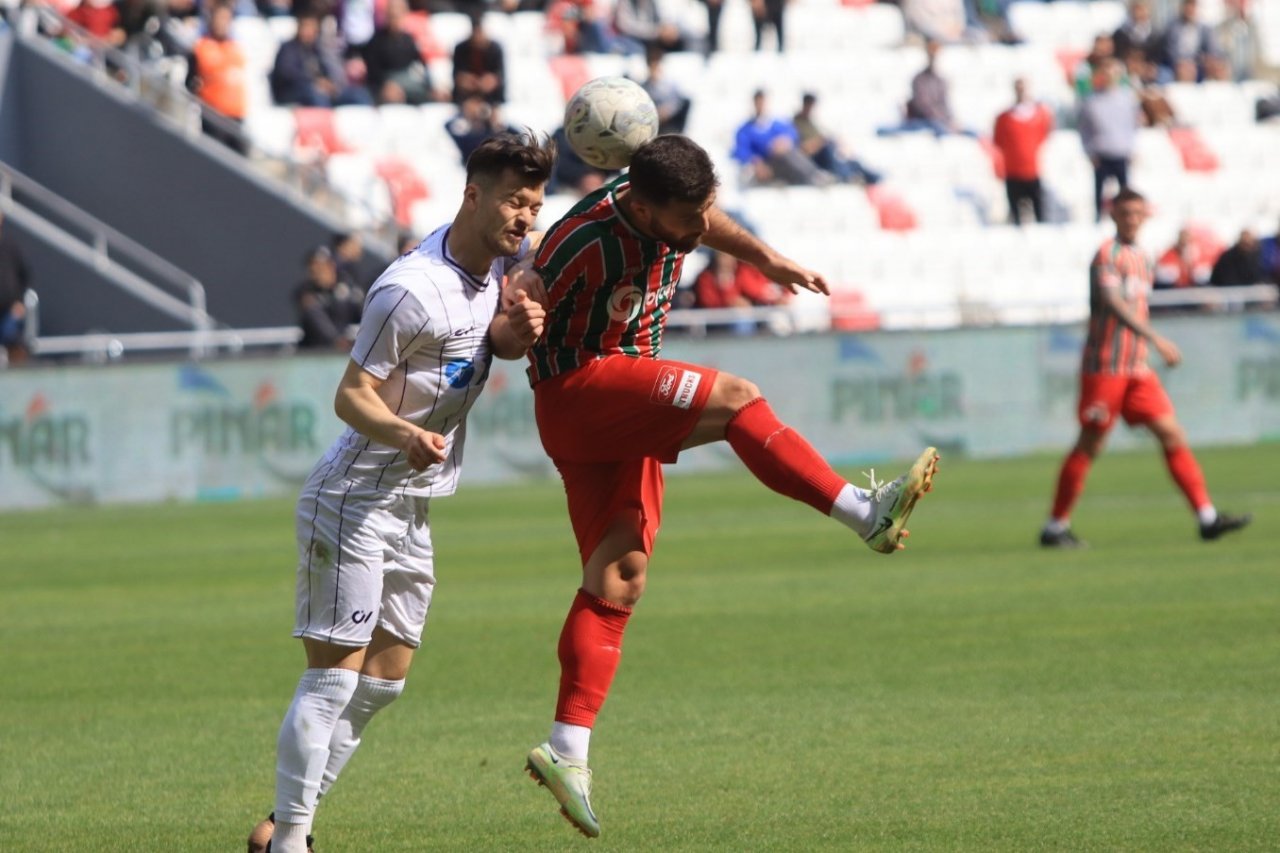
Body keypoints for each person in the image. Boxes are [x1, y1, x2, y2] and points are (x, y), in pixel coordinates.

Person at [514, 134, 940, 838]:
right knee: (738, 396)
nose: (701, 225)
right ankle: (863, 511)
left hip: (619, 405)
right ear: (647, 211)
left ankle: (565, 749)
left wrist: (771, 261)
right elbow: (515, 317)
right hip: (580, 390)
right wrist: (514, 304)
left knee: (620, 576)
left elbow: (711, 222)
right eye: (689, 217)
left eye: (707, 207)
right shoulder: (578, 242)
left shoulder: (675, 207)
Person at [246, 132, 555, 853]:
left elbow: (477, 349)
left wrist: (511, 334)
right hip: (353, 496)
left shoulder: (495, 272)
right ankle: (292, 840)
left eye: (534, 205)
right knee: (332, 678)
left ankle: (286, 821)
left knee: (384, 681)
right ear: (472, 194)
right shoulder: (407, 288)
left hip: (410, 504)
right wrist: (405, 435)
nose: (525, 217)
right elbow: (351, 398)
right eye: (514, 200)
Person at [1040, 188, 1250, 549]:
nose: (1132, 219)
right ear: (1114, 215)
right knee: (1089, 444)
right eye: (1125, 213)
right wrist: (1156, 338)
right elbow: (1111, 301)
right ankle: (1055, 527)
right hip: (1105, 367)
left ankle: (1207, 518)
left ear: (1145, 216)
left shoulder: (1143, 256)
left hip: (1136, 369)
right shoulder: (1108, 254)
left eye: (1138, 213)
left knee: (1172, 434)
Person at [1077, 58, 1140, 222]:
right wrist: (1089, 151)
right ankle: (1098, 219)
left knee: (1124, 193)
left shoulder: (1127, 99)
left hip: (1121, 151)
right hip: (1101, 152)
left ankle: (1124, 220)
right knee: (1098, 192)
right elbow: (1084, 129)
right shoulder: (1091, 100)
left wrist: (1131, 148)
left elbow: (1132, 126)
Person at [732, 89, 834, 187]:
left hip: (782, 160)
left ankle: (813, 175)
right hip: (764, 165)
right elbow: (741, 150)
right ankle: (813, 177)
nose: (761, 105)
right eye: (758, 102)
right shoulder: (746, 129)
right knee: (787, 155)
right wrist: (756, 161)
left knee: (789, 152)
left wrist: (784, 142)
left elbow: (793, 135)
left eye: (762, 102)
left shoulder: (776, 125)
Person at [269, 11, 372, 107]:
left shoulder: (317, 49)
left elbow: (329, 69)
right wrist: (314, 83)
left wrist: (331, 83)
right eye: (306, 27)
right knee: (318, 97)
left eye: (312, 28)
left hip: (322, 91)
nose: (308, 32)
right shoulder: (288, 48)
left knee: (358, 94)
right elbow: (287, 73)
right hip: (295, 92)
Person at [186, 2, 247, 152]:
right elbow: (190, 82)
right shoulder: (201, 47)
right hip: (213, 115)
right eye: (219, 18)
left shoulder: (236, 48)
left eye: (226, 18)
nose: (222, 23)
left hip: (236, 116)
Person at [992, 78, 1053, 225]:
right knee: (1016, 214)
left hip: (1033, 170)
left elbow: (1044, 136)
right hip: (1013, 171)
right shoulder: (1004, 118)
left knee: (1040, 213)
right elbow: (998, 141)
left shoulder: (1039, 115)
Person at [793, 92, 881, 185]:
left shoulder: (812, 122)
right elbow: (802, 149)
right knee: (829, 149)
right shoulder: (796, 123)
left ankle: (871, 177)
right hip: (815, 158)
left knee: (851, 161)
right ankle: (846, 176)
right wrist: (821, 141)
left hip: (825, 155)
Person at [294, 245, 365, 351]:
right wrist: (337, 340)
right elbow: (316, 321)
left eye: (321, 268)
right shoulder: (306, 292)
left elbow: (363, 312)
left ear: (331, 267)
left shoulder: (346, 286)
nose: (317, 274)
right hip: (315, 350)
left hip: (346, 348)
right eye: (313, 269)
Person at [451, 10, 505, 106]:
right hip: (465, 98)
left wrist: (491, 81)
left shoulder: (495, 49)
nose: (478, 37)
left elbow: (500, 76)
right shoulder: (461, 49)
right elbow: (456, 76)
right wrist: (466, 81)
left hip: (492, 98)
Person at [0, 212, 31, 367]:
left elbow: (24, 275)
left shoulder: (10, 246)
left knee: (14, 341)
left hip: (8, 311)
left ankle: (18, 382)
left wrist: (19, 302)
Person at [640, 44, 691, 136]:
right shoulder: (643, 87)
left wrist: (667, 111)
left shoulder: (672, 85)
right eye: (653, 65)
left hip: (671, 126)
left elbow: (678, 104)